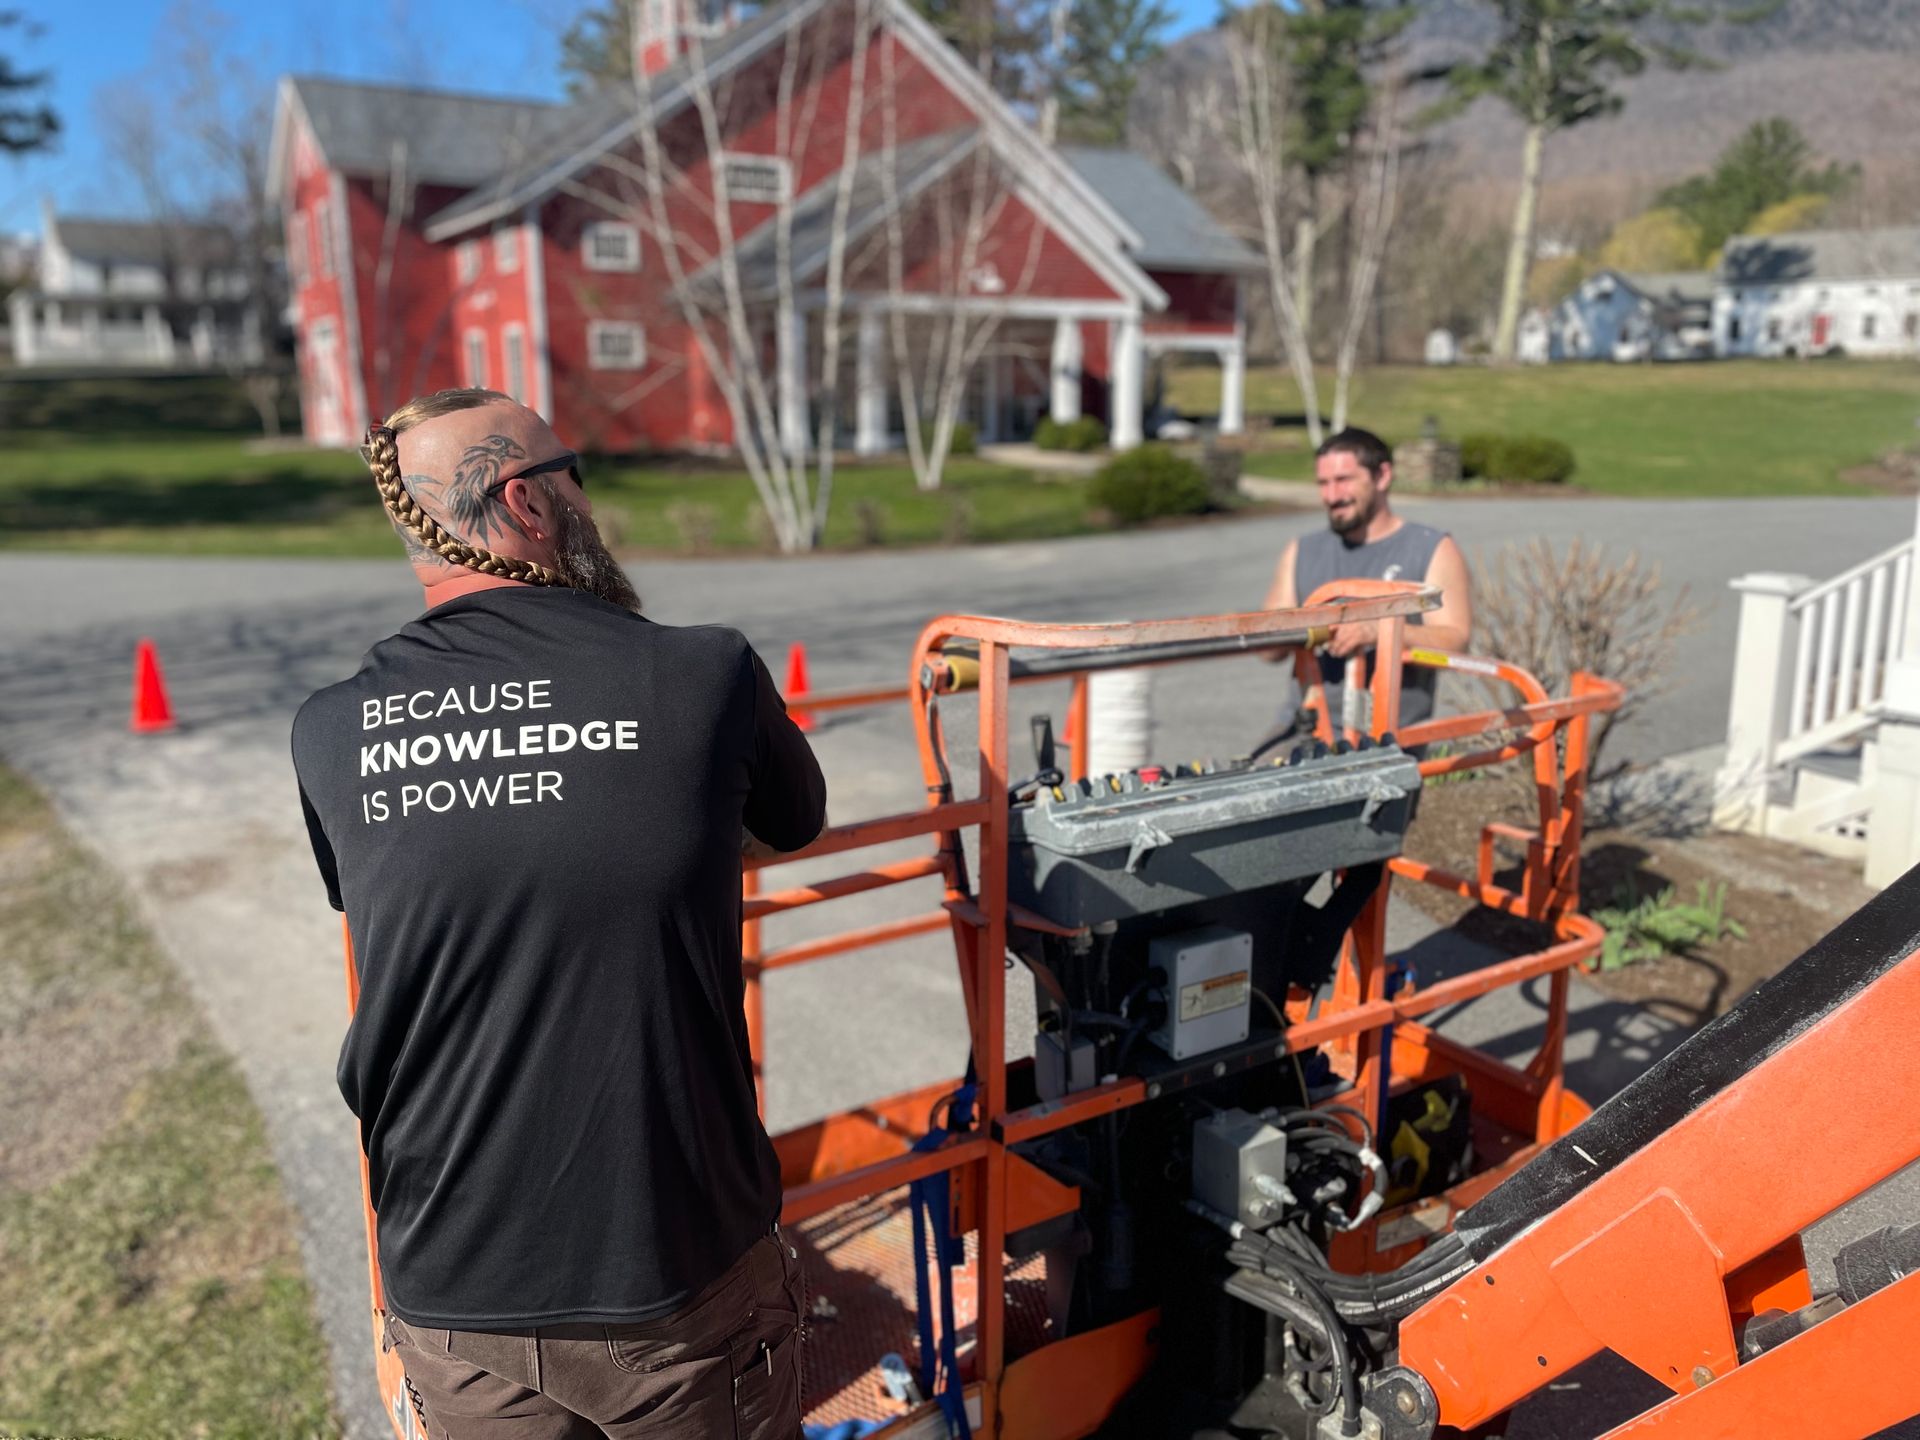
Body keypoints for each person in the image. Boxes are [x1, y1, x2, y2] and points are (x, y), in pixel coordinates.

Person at [291, 388, 826, 1440]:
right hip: (676, 1282)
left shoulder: (330, 729)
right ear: (530, 502)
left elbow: (409, 883)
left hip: (449, 1283)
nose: (593, 498)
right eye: (579, 472)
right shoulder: (701, 672)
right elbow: (793, 823)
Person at [1262, 426, 1473, 738]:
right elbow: (1267, 650)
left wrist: (1380, 632)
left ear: (1383, 476)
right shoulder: (1301, 550)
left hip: (1386, 736)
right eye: (1323, 483)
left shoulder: (1430, 547)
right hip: (1304, 729)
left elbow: (1456, 639)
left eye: (1344, 480)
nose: (1332, 496)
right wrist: (1298, 629)